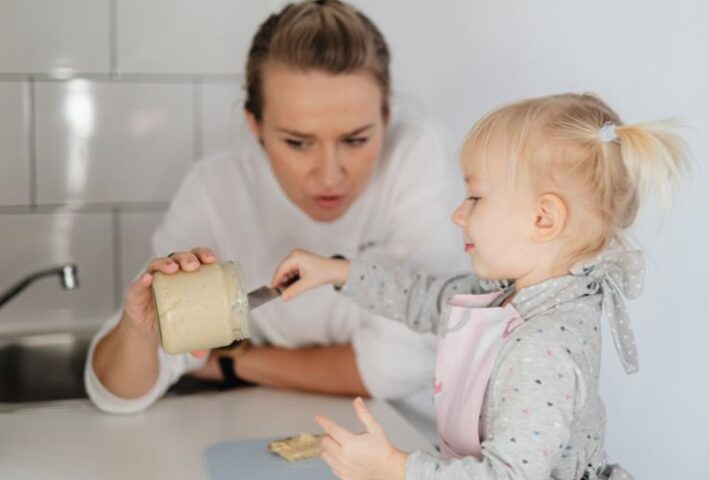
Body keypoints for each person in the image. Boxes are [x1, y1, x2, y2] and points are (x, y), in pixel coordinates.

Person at [85, 0, 464, 430]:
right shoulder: (216, 190)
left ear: (386, 117)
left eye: (356, 140)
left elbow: (397, 367)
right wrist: (139, 332)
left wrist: (232, 362)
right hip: (262, 433)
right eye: (298, 143)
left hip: (410, 438)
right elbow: (117, 396)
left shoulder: (414, 157)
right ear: (255, 125)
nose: (329, 176)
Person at [270, 93, 690, 479]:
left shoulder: (542, 348)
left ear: (543, 219)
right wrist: (336, 272)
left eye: (475, 197)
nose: (458, 214)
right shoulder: (514, 294)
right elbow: (425, 297)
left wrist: (394, 469)